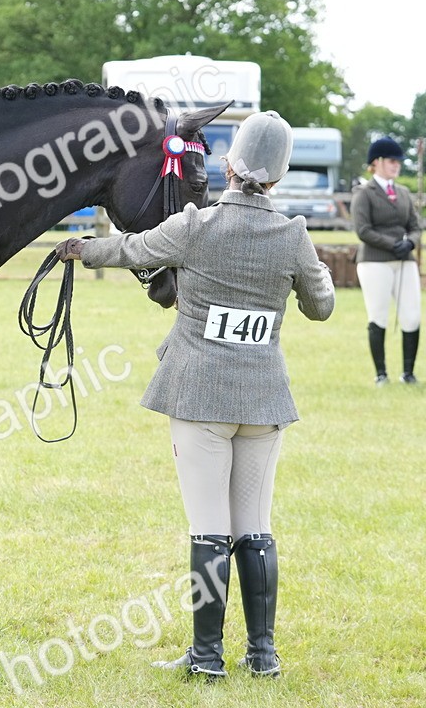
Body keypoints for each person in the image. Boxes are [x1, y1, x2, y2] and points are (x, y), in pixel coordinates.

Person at [54, 111, 335, 679]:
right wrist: (311, 273)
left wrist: (78, 250)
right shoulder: (294, 235)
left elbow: (131, 250)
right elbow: (321, 305)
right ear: (279, 176)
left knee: (208, 525)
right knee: (254, 524)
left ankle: (207, 657)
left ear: (229, 167)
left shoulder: (194, 225)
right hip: (263, 396)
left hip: (199, 391)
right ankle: (262, 656)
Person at [351, 137, 421, 385]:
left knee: (412, 315)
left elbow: (415, 225)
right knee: (378, 315)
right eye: (392, 161)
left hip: (405, 260)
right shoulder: (363, 193)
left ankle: (408, 373)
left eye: (398, 161)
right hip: (374, 261)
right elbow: (363, 230)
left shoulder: (403, 192)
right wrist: (393, 245)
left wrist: (410, 243)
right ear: (377, 162)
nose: (397, 165)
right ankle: (381, 374)